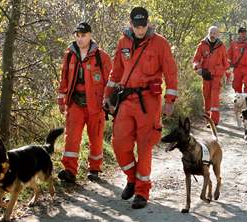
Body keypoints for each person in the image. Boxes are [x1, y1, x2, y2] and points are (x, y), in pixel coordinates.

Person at [103, 7, 178, 209]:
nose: (140, 30)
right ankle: (131, 178)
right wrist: (107, 97)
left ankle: (142, 192)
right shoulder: (123, 42)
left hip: (149, 102)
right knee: (119, 143)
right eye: (136, 26)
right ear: (131, 25)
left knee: (144, 146)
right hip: (126, 99)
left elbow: (171, 72)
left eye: (143, 25)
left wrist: (169, 99)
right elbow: (115, 72)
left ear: (148, 23)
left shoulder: (160, 43)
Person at [57, 22, 112, 183]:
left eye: (84, 36)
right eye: (78, 36)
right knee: (71, 137)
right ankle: (69, 170)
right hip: (75, 103)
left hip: (95, 105)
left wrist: (109, 102)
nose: (80, 39)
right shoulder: (69, 55)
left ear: (90, 35)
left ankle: (94, 169)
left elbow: (112, 80)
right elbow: (64, 79)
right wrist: (61, 99)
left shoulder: (101, 56)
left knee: (95, 138)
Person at [192, 26, 229, 126]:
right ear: (208, 33)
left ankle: (214, 121)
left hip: (216, 76)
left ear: (218, 35)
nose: (212, 35)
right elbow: (196, 60)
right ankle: (208, 119)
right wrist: (198, 69)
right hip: (206, 75)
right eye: (211, 32)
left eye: (214, 33)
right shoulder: (202, 45)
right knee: (207, 97)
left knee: (214, 99)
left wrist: (226, 74)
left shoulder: (221, 46)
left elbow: (225, 63)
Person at [227, 27, 247, 96]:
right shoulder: (233, 44)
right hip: (237, 68)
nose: (243, 34)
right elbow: (229, 56)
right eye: (241, 33)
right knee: (236, 84)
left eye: (244, 33)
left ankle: (245, 99)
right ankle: (239, 99)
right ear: (238, 34)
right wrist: (227, 67)